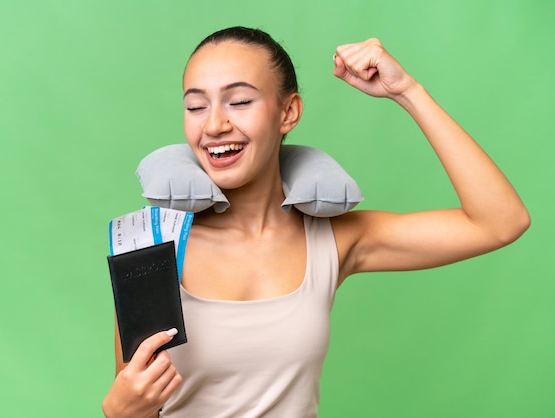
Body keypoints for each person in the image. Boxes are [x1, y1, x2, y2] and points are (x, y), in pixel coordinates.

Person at [102, 26, 530, 418]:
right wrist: (119, 412)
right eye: (196, 106)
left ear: (288, 112)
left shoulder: (334, 238)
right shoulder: (152, 244)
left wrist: (408, 92)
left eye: (240, 101)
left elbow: (499, 222)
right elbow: (137, 399)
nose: (214, 124)